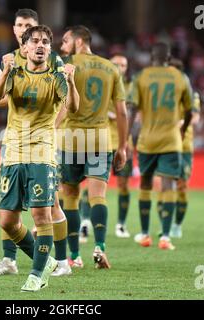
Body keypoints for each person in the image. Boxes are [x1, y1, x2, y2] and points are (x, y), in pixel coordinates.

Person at [0, 25, 79, 292]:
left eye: (45, 42)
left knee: (42, 215)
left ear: (49, 49)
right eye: (35, 42)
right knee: (7, 221)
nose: (40, 46)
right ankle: (47, 260)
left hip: (42, 152)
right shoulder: (14, 73)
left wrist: (72, 81)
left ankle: (37, 274)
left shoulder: (56, 78)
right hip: (13, 152)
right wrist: (5, 69)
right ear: (25, 47)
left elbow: (73, 106)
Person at [58, 25, 128, 269]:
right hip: (100, 139)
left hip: (71, 139)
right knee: (98, 196)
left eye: (65, 40)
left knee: (71, 196)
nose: (62, 45)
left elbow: (60, 104)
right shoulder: (111, 68)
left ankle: (75, 256)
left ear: (78, 42)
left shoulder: (64, 64)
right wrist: (123, 146)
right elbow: (121, 111)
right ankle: (100, 248)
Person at [128, 43, 194, 250]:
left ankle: (145, 234)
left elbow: (132, 109)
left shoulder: (141, 76)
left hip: (147, 139)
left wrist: (127, 138)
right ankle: (165, 236)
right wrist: (183, 131)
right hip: (171, 140)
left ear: (151, 57)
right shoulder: (180, 77)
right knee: (168, 187)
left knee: (145, 185)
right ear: (168, 57)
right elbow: (190, 110)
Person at [78, 54, 134, 242]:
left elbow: (131, 115)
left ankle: (121, 224)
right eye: (117, 63)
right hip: (101, 140)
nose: (120, 67)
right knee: (93, 184)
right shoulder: (98, 82)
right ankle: (85, 222)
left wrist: (127, 143)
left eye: (124, 64)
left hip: (122, 142)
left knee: (124, 184)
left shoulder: (131, 88)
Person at [157, 58, 201, 239]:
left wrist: (180, 123)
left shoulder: (191, 95)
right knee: (164, 187)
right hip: (164, 145)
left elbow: (196, 117)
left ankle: (177, 225)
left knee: (182, 187)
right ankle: (164, 226)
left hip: (183, 147)